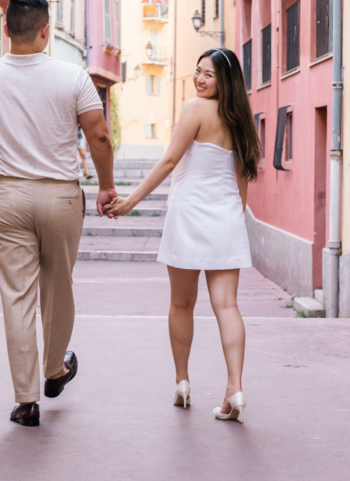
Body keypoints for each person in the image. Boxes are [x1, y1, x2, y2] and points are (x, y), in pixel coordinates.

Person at [0, 0, 118, 427]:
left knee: (17, 297)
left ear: (5, 30)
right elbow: (99, 138)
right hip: (61, 195)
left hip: (6, 196)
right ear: (46, 31)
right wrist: (106, 186)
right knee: (58, 285)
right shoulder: (74, 77)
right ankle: (55, 369)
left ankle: (27, 402)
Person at [104, 48, 260, 421]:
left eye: (209, 74)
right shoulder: (240, 119)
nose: (200, 79)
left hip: (189, 214)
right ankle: (234, 388)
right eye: (198, 71)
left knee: (181, 304)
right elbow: (242, 185)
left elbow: (170, 160)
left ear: (225, 80)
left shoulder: (195, 109)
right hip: (225, 217)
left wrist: (130, 202)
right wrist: (234, 221)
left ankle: (182, 382)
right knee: (227, 306)